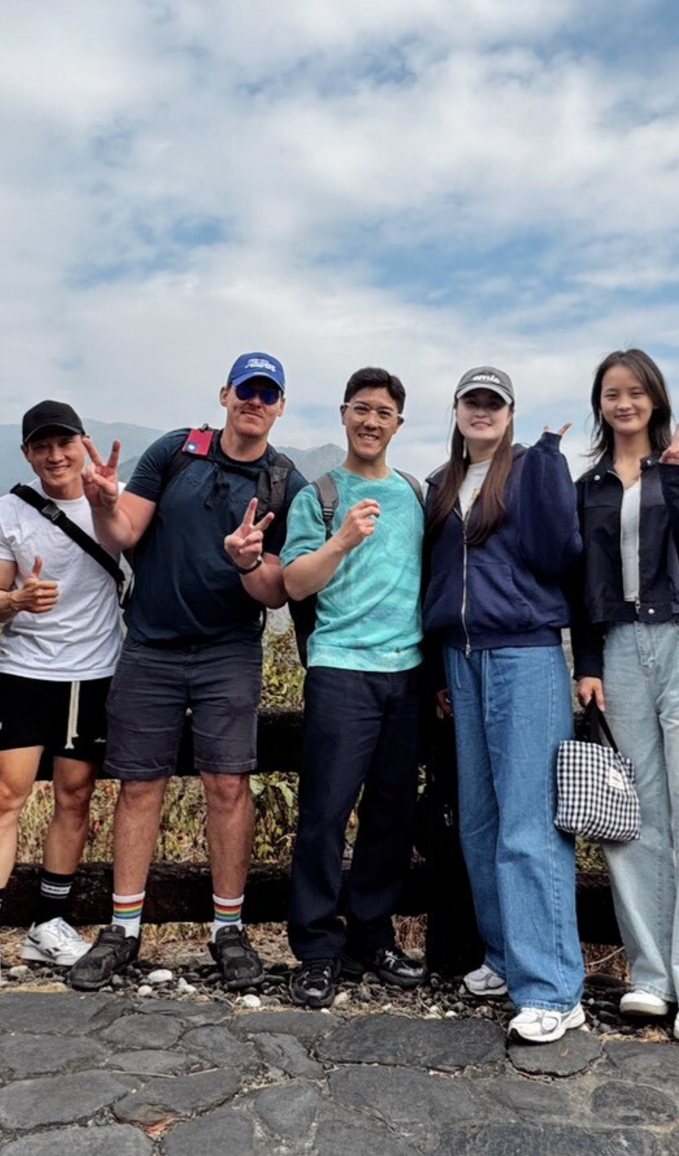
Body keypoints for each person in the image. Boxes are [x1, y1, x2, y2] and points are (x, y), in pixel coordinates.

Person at [69, 352, 308, 993]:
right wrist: (99, 502)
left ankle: (227, 928)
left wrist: (245, 560)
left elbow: (275, 593)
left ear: (281, 406)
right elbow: (124, 532)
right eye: (246, 389)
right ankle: (123, 928)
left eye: (269, 393)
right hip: (149, 645)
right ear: (226, 394)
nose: (256, 401)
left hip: (230, 650)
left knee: (227, 786)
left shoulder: (286, 483)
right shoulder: (177, 452)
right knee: (139, 786)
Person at [0, 400, 125, 1017]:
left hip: (95, 674)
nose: (55, 454)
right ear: (27, 454)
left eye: (64, 442)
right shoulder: (5, 513)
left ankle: (50, 922)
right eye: (42, 446)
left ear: (83, 443)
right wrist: (17, 599)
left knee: (74, 797)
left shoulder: (112, 504)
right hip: (24, 673)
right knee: (4, 798)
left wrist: (110, 499)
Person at [570, 349, 679, 1047]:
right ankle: (652, 975)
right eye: (612, 393)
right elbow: (575, 581)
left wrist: (675, 483)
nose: (623, 403)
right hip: (618, 651)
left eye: (635, 392)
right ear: (600, 404)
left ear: (656, 399)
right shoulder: (589, 488)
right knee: (630, 816)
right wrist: (586, 662)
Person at [423, 366, 585, 1044]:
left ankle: (553, 987)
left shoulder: (527, 469)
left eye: (493, 403)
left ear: (509, 412)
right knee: (481, 822)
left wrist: (548, 462)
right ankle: (505, 957)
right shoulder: (438, 486)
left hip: (525, 653)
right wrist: (439, 663)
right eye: (472, 401)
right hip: (461, 659)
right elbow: (436, 578)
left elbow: (562, 550)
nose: (482, 411)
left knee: (528, 823)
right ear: (457, 410)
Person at [279, 367, 428, 1008]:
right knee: (325, 813)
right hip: (341, 667)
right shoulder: (318, 495)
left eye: (384, 412)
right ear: (343, 414)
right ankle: (316, 947)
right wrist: (340, 540)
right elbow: (293, 584)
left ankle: (372, 934)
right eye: (361, 409)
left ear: (399, 423)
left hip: (409, 672)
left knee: (391, 813)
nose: (371, 421)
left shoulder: (417, 494)